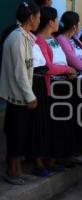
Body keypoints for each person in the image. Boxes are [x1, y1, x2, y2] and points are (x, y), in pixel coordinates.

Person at [0, 1, 40, 185]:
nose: (39, 20)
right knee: (15, 135)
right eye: (38, 17)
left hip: (21, 97)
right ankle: (11, 171)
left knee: (19, 134)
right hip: (18, 97)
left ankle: (16, 170)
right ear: (31, 18)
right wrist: (29, 96)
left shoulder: (25, 37)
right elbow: (19, 72)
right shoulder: (17, 38)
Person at [35, 7, 77, 170]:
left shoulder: (53, 38)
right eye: (56, 18)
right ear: (50, 22)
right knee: (50, 126)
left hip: (63, 83)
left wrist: (68, 71)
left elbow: (61, 61)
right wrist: (67, 70)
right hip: (51, 86)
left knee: (60, 125)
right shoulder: (39, 40)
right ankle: (45, 160)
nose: (59, 21)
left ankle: (54, 159)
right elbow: (48, 67)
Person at [56, 11, 82, 159]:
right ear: (74, 25)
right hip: (73, 83)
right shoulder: (61, 39)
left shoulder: (74, 39)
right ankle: (72, 149)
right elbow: (76, 62)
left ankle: (81, 145)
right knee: (73, 117)